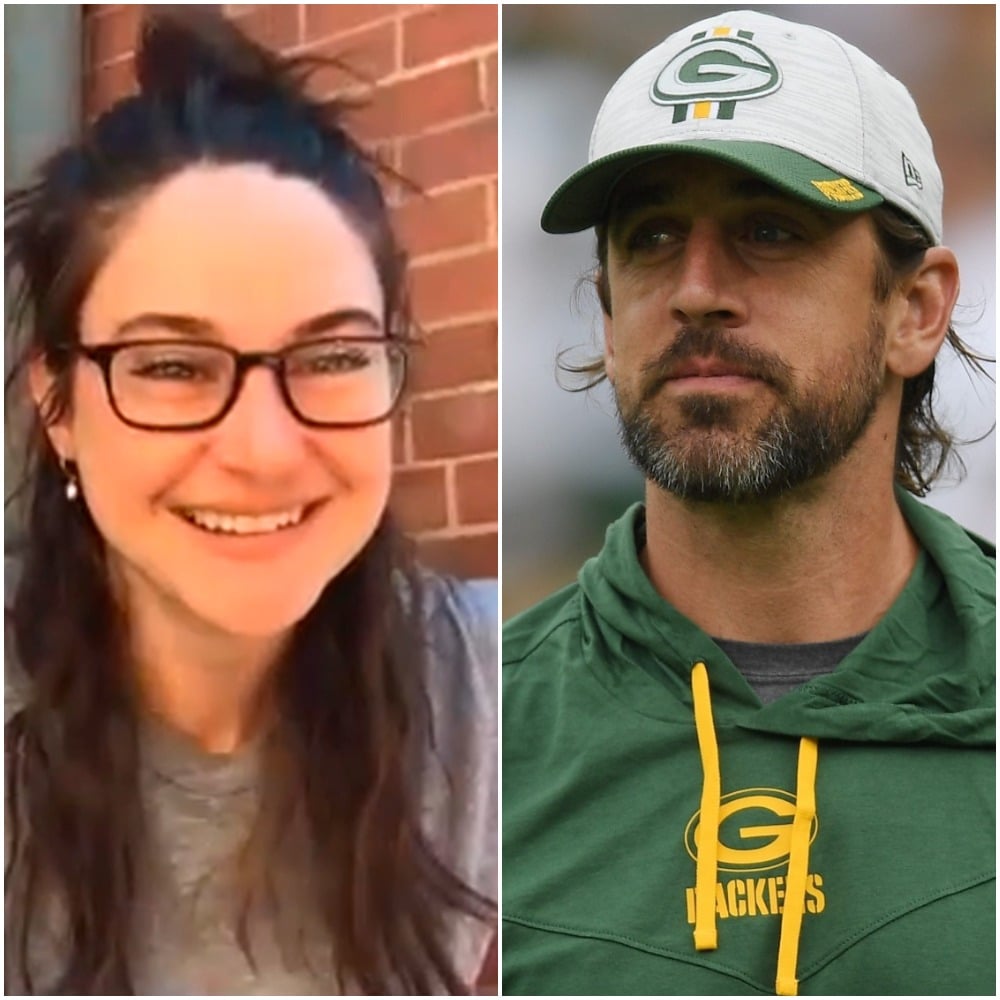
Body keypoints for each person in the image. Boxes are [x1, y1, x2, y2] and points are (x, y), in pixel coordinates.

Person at [502, 9, 994, 997]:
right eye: (650, 237)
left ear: (915, 309)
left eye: (770, 230)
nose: (694, 290)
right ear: (605, 313)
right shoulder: (466, 741)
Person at [4, 10, 496, 995]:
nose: (266, 449)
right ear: (57, 404)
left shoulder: (498, 694)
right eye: (175, 366)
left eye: (332, 357)